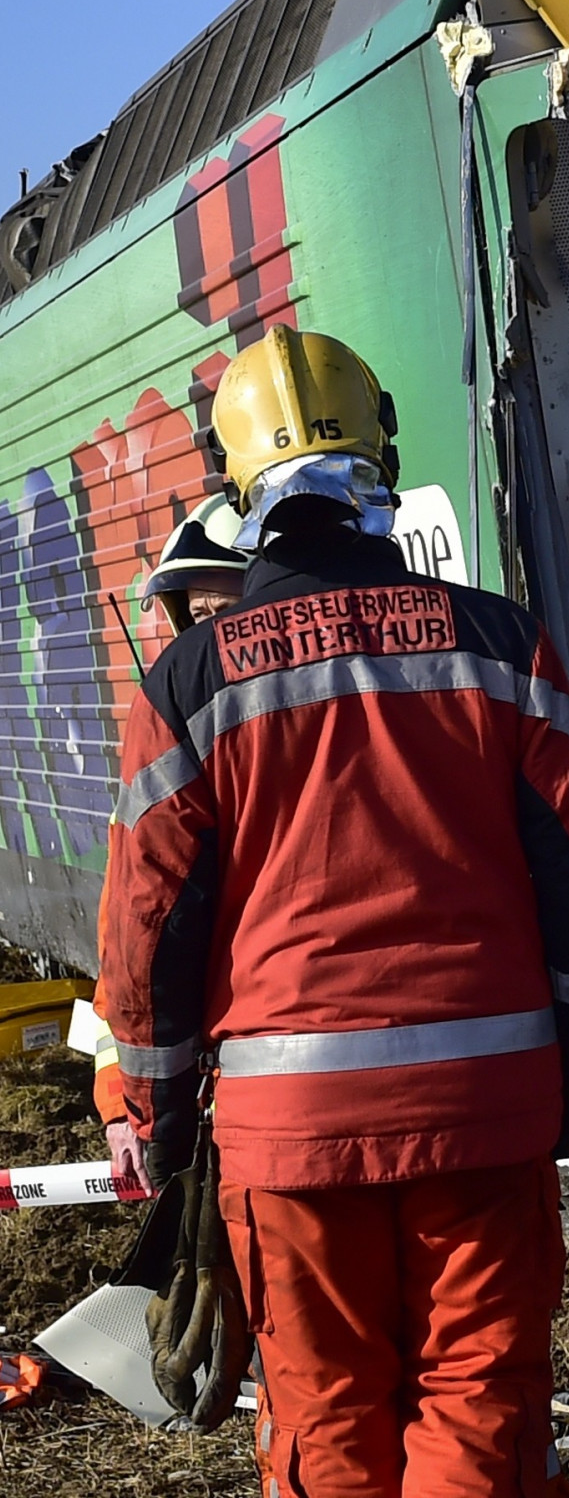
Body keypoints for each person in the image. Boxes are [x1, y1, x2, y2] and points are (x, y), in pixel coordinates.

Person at [99, 324, 569, 1498]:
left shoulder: (188, 684)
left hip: (287, 1133)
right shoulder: (498, 643)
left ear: (233, 484)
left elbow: (153, 919)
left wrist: (152, 1107)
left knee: (324, 1412)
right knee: (480, 1400)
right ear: (378, 458)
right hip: (487, 1105)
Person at [94, 494, 253, 1188]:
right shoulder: (170, 751)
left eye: (223, 617)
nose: (206, 644)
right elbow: (129, 945)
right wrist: (122, 1106)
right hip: (231, 1108)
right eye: (195, 620)